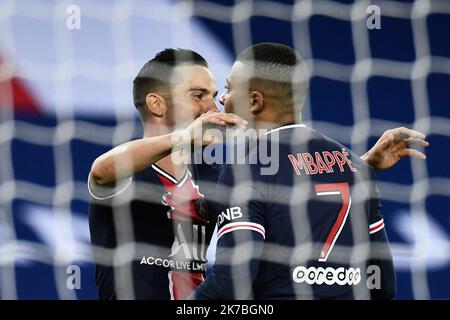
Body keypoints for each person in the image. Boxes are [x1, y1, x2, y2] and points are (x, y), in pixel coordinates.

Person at [88, 47, 428, 300]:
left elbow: (290, 198)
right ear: (157, 104)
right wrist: (182, 137)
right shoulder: (127, 173)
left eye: (215, 92)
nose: (215, 105)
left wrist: (356, 169)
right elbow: (101, 173)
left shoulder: (220, 174)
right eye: (199, 95)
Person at [189, 43, 429, 299]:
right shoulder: (357, 168)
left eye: (228, 88)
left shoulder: (246, 169)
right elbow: (383, 285)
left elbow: (230, 285)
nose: (222, 99)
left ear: (255, 101)